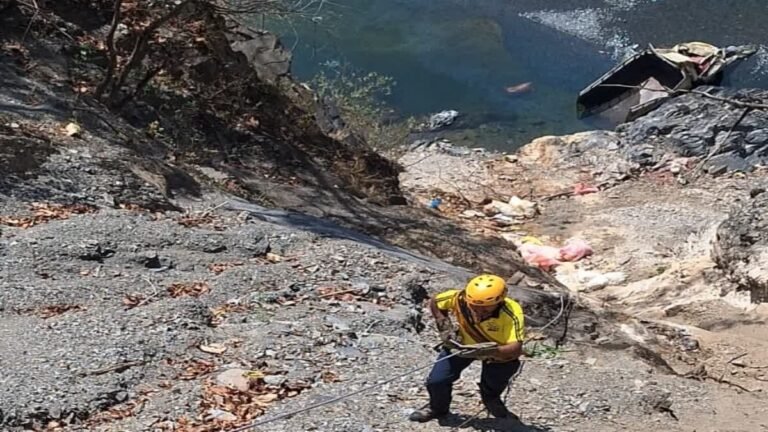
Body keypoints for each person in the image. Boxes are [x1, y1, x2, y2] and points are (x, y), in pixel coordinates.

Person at [409, 274, 525, 423]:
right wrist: (443, 324)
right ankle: (437, 408)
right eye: (474, 307)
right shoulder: (459, 299)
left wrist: (489, 351)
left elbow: (515, 348)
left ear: (499, 301)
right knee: (437, 381)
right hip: (462, 345)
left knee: (493, 384)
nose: (479, 311)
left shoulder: (512, 312)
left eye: (485, 308)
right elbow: (436, 302)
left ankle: (491, 401)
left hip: (498, 353)